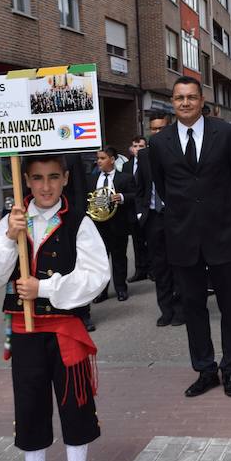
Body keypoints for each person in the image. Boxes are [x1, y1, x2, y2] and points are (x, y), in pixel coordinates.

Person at [0, 154, 109, 461]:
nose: (46, 186)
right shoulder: (11, 221)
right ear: (25, 181)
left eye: (54, 177)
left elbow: (97, 276)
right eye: (37, 178)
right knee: (30, 406)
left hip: (65, 330)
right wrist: (9, 238)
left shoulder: (79, 222)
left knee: (74, 405)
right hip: (24, 332)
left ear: (66, 178)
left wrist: (45, 287)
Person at [148, 76, 231, 398]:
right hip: (182, 236)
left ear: (202, 100)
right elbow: (163, 188)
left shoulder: (227, 134)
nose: (185, 103)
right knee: (193, 307)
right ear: (172, 102)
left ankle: (230, 370)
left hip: (222, 233)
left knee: (229, 306)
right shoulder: (159, 142)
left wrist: (223, 217)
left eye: (191, 97)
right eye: (179, 98)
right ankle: (205, 370)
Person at [136, 112, 184, 327]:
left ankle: (181, 309)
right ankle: (166, 310)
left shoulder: (178, 150)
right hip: (153, 218)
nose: (156, 133)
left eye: (161, 129)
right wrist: (141, 213)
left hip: (176, 217)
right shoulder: (144, 155)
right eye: (153, 129)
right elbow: (140, 187)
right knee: (160, 267)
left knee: (180, 265)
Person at [87, 147, 135, 303]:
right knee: (101, 260)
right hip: (99, 225)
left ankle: (121, 288)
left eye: (102, 158)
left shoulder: (125, 178)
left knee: (119, 257)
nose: (98, 161)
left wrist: (121, 196)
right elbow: (89, 201)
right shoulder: (92, 179)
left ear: (112, 159)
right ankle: (102, 291)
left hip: (118, 223)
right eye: (98, 158)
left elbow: (135, 195)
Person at [123, 136, 150, 283]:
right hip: (132, 209)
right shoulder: (127, 166)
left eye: (141, 146)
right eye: (135, 146)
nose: (137, 149)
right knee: (137, 241)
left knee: (150, 240)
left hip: (146, 208)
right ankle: (140, 269)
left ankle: (152, 269)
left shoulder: (150, 163)